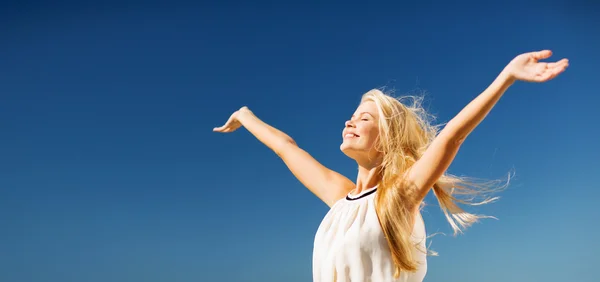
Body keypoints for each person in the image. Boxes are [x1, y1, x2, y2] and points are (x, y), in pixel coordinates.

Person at [213, 50, 568, 282]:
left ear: (385, 139)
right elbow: (285, 147)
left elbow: (451, 138)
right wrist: (245, 116)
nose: (349, 122)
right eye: (351, 116)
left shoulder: (398, 197)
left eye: (363, 118)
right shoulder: (341, 197)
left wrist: (505, 77)